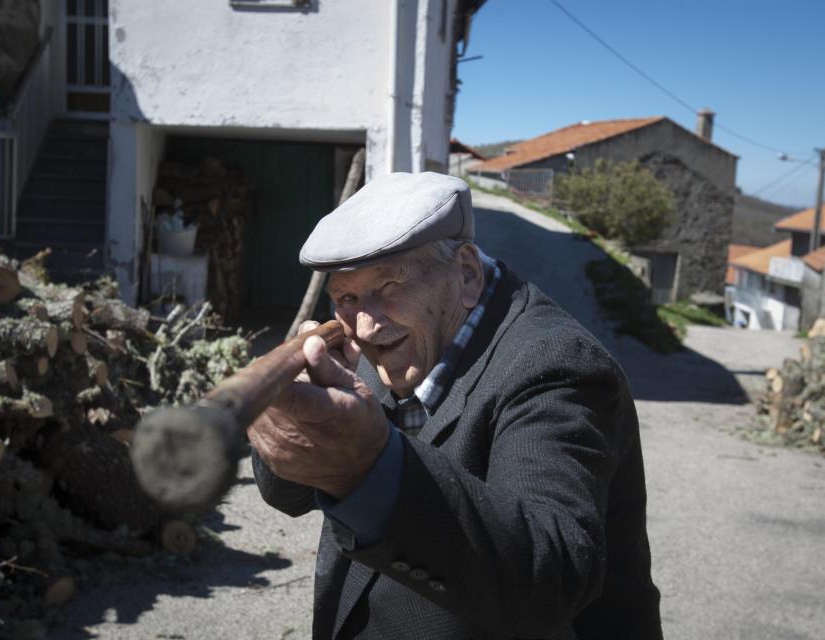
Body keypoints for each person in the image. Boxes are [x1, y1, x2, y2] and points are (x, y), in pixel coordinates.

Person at [248, 172, 662, 639]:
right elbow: (291, 495)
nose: (363, 325)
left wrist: (365, 466)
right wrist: (293, 419)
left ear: (466, 272)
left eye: (387, 287)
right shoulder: (383, 342)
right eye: (346, 296)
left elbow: (553, 579)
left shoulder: (557, 368)